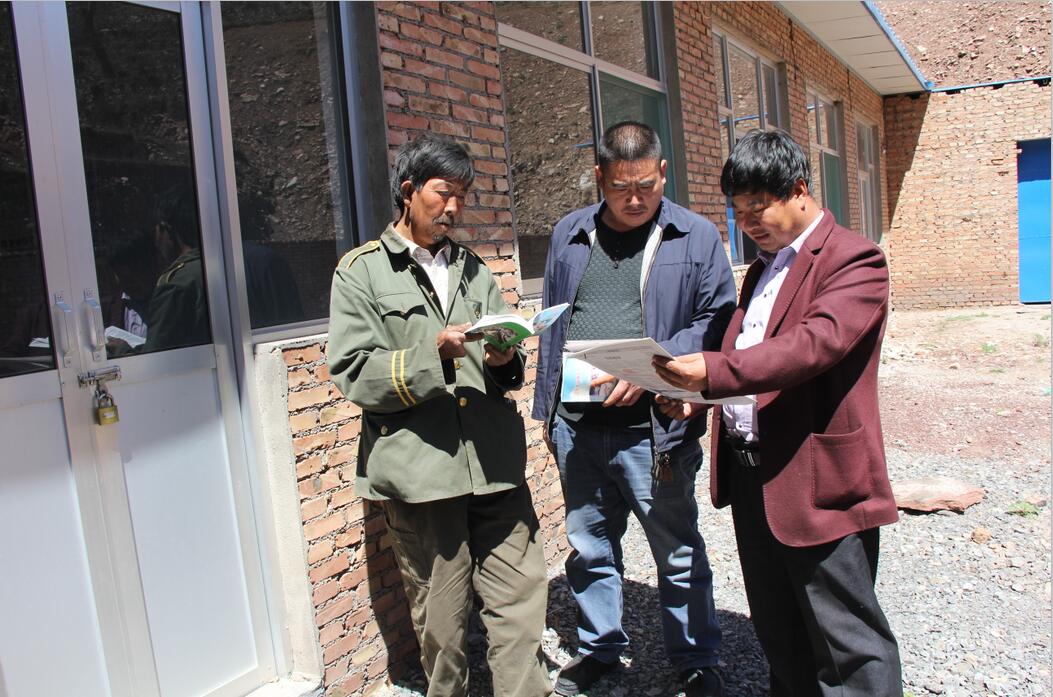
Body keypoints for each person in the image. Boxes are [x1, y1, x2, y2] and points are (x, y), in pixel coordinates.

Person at [653, 129, 902, 697]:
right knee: (779, 630)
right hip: (753, 476)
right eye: (738, 211)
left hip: (815, 474)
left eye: (758, 207)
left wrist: (712, 372)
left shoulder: (854, 259)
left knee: (845, 642)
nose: (748, 223)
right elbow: (751, 354)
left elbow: (814, 345)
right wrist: (701, 397)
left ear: (799, 190)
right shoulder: (763, 269)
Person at [327, 133, 551, 697]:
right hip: (423, 475)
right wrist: (434, 354)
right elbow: (354, 372)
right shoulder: (361, 272)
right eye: (443, 193)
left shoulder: (474, 269)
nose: (454, 207)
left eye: (462, 197)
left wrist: (504, 358)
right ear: (408, 191)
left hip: (494, 467)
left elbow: (503, 361)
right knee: (443, 629)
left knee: (521, 604)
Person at [533, 121, 736, 697]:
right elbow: (556, 323)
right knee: (590, 547)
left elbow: (718, 321)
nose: (635, 199)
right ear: (599, 177)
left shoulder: (694, 236)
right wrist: (547, 412)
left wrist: (650, 368)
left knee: (676, 551)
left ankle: (697, 660)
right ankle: (599, 649)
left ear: (663, 173)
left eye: (646, 185)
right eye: (621, 187)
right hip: (578, 426)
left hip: (654, 431)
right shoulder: (569, 233)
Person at [143, 182, 210, 352]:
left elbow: (157, 355)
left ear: (166, 230)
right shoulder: (228, 266)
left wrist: (121, 350)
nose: (156, 241)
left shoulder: (177, 283)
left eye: (156, 230)